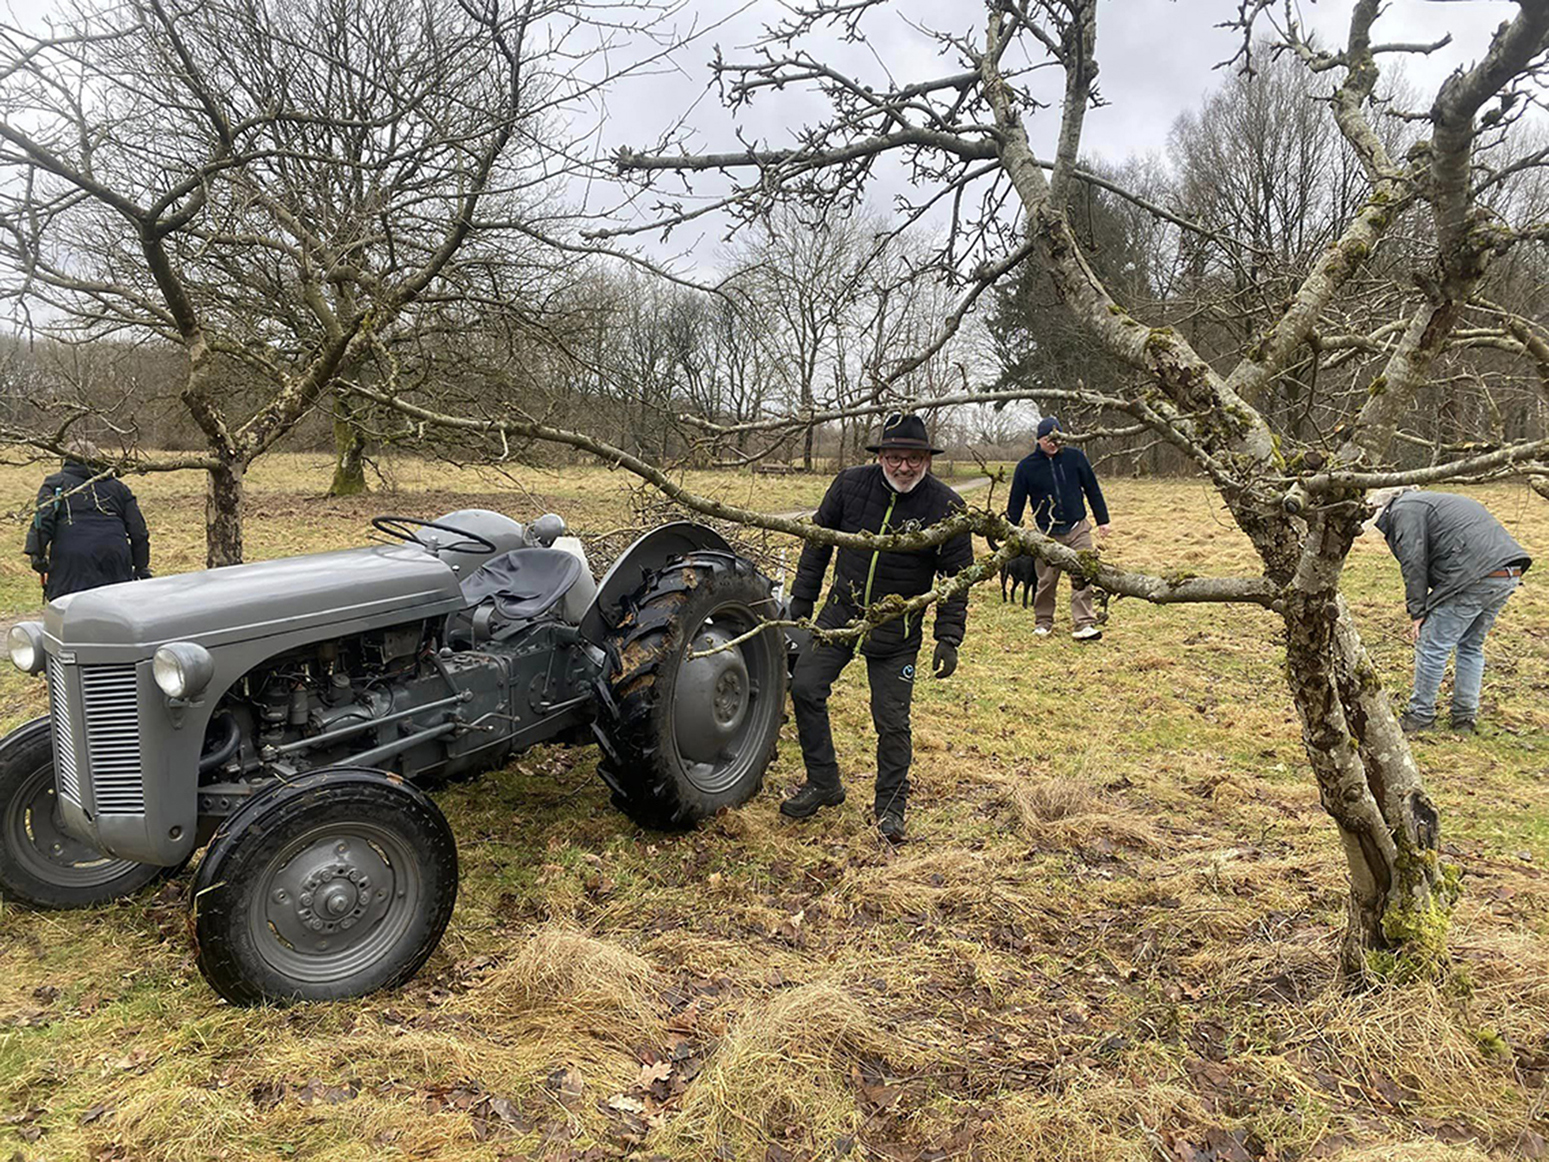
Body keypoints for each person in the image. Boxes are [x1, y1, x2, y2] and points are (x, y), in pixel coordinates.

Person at [782, 412, 973, 842]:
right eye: (894, 457)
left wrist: (948, 637)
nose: (903, 467)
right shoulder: (849, 485)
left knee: (891, 721)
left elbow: (957, 578)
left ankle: (890, 808)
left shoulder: (946, 507)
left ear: (927, 459)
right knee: (805, 687)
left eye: (913, 459)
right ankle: (823, 782)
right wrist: (802, 598)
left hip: (896, 630)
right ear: (881, 456)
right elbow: (819, 542)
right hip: (841, 614)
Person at [1371, 487, 1531, 734]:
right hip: (1507, 572)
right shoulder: (1431, 501)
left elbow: (1413, 561)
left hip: (1476, 575)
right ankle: (1464, 717)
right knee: (1471, 645)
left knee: (1432, 645)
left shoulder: (1404, 509)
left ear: (1383, 509)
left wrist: (1417, 612)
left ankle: (1420, 716)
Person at [1004, 416, 1110, 641]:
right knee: (1046, 581)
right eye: (1048, 440)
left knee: (1083, 574)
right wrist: (1011, 531)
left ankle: (1084, 624)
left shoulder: (1076, 458)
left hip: (1078, 527)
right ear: (1038, 440)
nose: (1053, 444)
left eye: (1056, 439)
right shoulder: (1026, 467)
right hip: (1046, 533)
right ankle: (1043, 622)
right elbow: (1016, 501)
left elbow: (1092, 488)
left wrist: (1103, 520)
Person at [24, 440, 151, 601]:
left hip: (71, 558)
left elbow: (42, 521)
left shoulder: (55, 484)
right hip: (114, 555)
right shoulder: (119, 488)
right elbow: (138, 531)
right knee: (115, 607)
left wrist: (37, 555)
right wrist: (141, 566)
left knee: (69, 607)